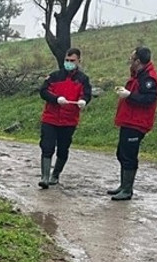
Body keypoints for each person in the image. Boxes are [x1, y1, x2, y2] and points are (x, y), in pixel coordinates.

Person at [109, 46, 157, 201]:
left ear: (138, 61)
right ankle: (123, 185)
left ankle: (127, 190)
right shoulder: (138, 76)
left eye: (132, 58)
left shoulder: (148, 78)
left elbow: (149, 99)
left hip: (137, 123)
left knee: (129, 155)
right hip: (129, 121)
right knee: (122, 153)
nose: (130, 61)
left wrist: (129, 95)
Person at [37, 48, 92, 189]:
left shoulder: (83, 79)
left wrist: (83, 101)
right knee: (47, 147)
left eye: (72, 61)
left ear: (79, 61)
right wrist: (56, 99)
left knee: (63, 149)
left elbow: (86, 94)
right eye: (67, 60)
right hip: (51, 118)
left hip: (69, 120)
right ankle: (44, 177)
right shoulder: (54, 76)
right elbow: (43, 91)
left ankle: (55, 175)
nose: (69, 63)